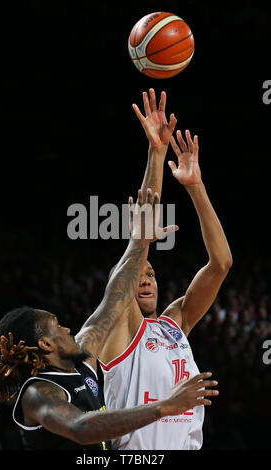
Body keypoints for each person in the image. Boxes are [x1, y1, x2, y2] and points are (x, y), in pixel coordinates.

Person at [0, 188, 219, 450]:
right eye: (57, 326)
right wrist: (164, 406)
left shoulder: (83, 362)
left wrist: (140, 240)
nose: (68, 328)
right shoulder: (38, 393)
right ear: (46, 344)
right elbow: (80, 428)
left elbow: (116, 296)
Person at [98, 89, 233, 450]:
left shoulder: (174, 323)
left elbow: (220, 264)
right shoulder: (118, 330)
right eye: (141, 274)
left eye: (152, 274)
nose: (146, 278)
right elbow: (135, 252)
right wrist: (156, 154)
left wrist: (196, 187)